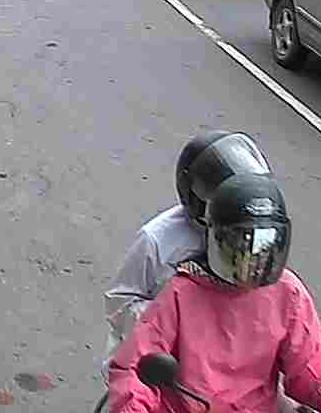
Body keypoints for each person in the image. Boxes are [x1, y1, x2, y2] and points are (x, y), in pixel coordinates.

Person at [104, 174, 321, 413]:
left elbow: (307, 369)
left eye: (262, 250)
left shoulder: (289, 293)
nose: (252, 263)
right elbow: (134, 368)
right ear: (216, 240)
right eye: (241, 248)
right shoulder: (182, 292)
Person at [102, 131, 273, 356]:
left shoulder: (250, 236)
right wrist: (176, 322)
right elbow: (119, 303)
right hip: (152, 360)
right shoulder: (157, 241)